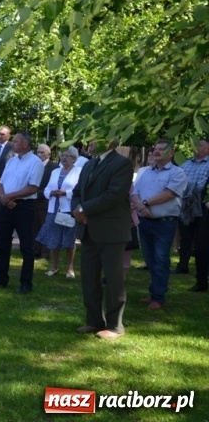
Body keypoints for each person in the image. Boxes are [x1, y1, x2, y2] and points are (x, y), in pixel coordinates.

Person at [72, 138, 133, 339]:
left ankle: (115, 326)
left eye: (97, 137)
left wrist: (85, 209)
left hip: (111, 230)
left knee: (113, 279)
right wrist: (78, 209)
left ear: (111, 142)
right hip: (89, 230)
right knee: (89, 277)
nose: (91, 142)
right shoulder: (89, 163)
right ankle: (93, 321)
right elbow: (76, 191)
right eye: (90, 139)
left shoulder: (121, 164)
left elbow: (114, 195)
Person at [131, 139, 187, 310]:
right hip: (145, 221)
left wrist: (145, 203)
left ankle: (158, 297)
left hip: (165, 223)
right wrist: (141, 206)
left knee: (161, 259)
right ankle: (154, 291)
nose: (156, 151)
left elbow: (169, 194)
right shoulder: (145, 172)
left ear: (171, 153)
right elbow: (134, 192)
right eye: (155, 148)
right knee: (149, 259)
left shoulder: (177, 173)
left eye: (161, 149)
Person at [0, 131, 44, 294]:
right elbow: (2, 182)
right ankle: (1, 278)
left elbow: (33, 187)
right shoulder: (12, 161)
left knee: (26, 246)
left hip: (24, 207)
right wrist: (3, 197)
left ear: (25, 144)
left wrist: (10, 196)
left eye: (15, 141)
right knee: (3, 244)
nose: (12, 144)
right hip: (7, 205)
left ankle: (26, 283)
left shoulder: (35, 162)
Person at [36, 146, 82, 278]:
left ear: (74, 158)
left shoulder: (78, 171)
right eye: (63, 156)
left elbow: (79, 190)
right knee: (53, 238)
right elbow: (46, 189)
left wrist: (65, 193)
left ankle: (70, 268)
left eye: (67, 156)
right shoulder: (55, 171)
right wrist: (51, 192)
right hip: (53, 208)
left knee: (69, 239)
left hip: (69, 209)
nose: (64, 158)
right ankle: (54, 266)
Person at [173, 138, 209, 274]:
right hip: (186, 206)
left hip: (202, 206)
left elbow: (202, 186)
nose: (196, 147)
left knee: (202, 239)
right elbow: (178, 182)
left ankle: (202, 271)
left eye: (200, 145)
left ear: (207, 150)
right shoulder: (185, 164)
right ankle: (182, 266)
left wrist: (187, 189)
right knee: (185, 237)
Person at [33, 143, 59, 258]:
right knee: (34, 228)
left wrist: (37, 194)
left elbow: (52, 185)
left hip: (46, 202)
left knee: (46, 227)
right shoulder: (33, 165)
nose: (39, 154)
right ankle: (35, 250)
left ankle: (45, 253)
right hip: (33, 201)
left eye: (42, 152)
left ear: (48, 154)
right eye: (38, 152)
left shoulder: (54, 167)